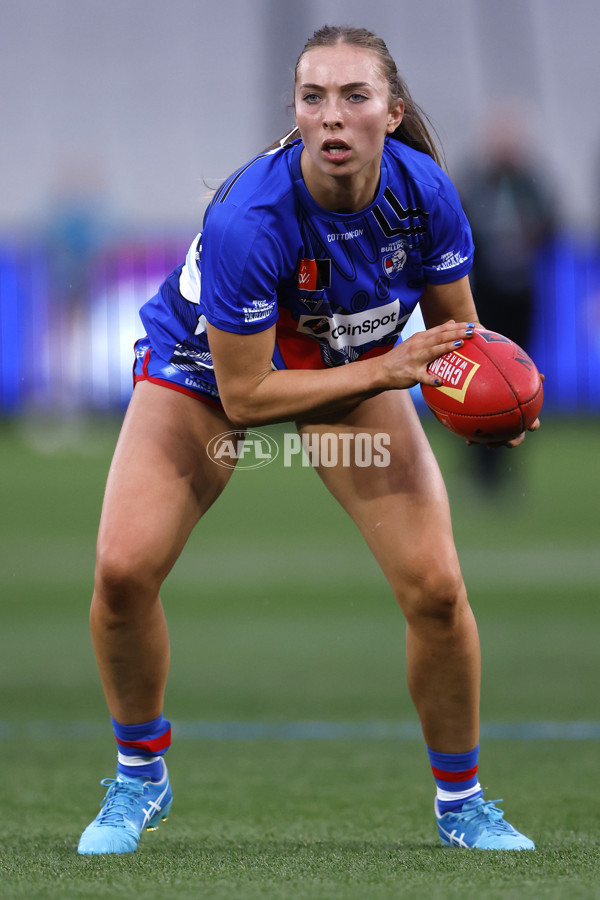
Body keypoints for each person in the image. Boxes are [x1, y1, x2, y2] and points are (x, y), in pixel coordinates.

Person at [78, 25, 538, 855]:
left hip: (349, 362)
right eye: (313, 96)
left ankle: (463, 803)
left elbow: (460, 338)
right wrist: (386, 370)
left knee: (438, 591)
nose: (332, 115)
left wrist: (497, 403)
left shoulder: (426, 193)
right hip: (207, 368)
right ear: (294, 111)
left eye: (355, 96)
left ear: (391, 112)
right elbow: (247, 396)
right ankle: (139, 776)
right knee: (121, 572)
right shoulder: (249, 219)